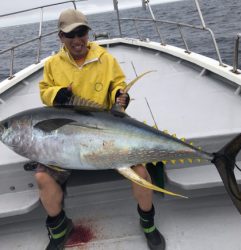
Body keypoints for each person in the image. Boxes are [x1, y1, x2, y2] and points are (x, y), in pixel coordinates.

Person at [37, 8, 166, 250]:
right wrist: (57, 94)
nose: (77, 40)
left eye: (81, 32)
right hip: (66, 138)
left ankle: (147, 223)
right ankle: (60, 227)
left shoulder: (105, 58)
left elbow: (119, 84)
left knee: (141, 172)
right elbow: (44, 91)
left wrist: (120, 96)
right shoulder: (53, 64)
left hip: (106, 135)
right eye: (70, 34)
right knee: (42, 177)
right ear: (60, 37)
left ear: (88, 33)